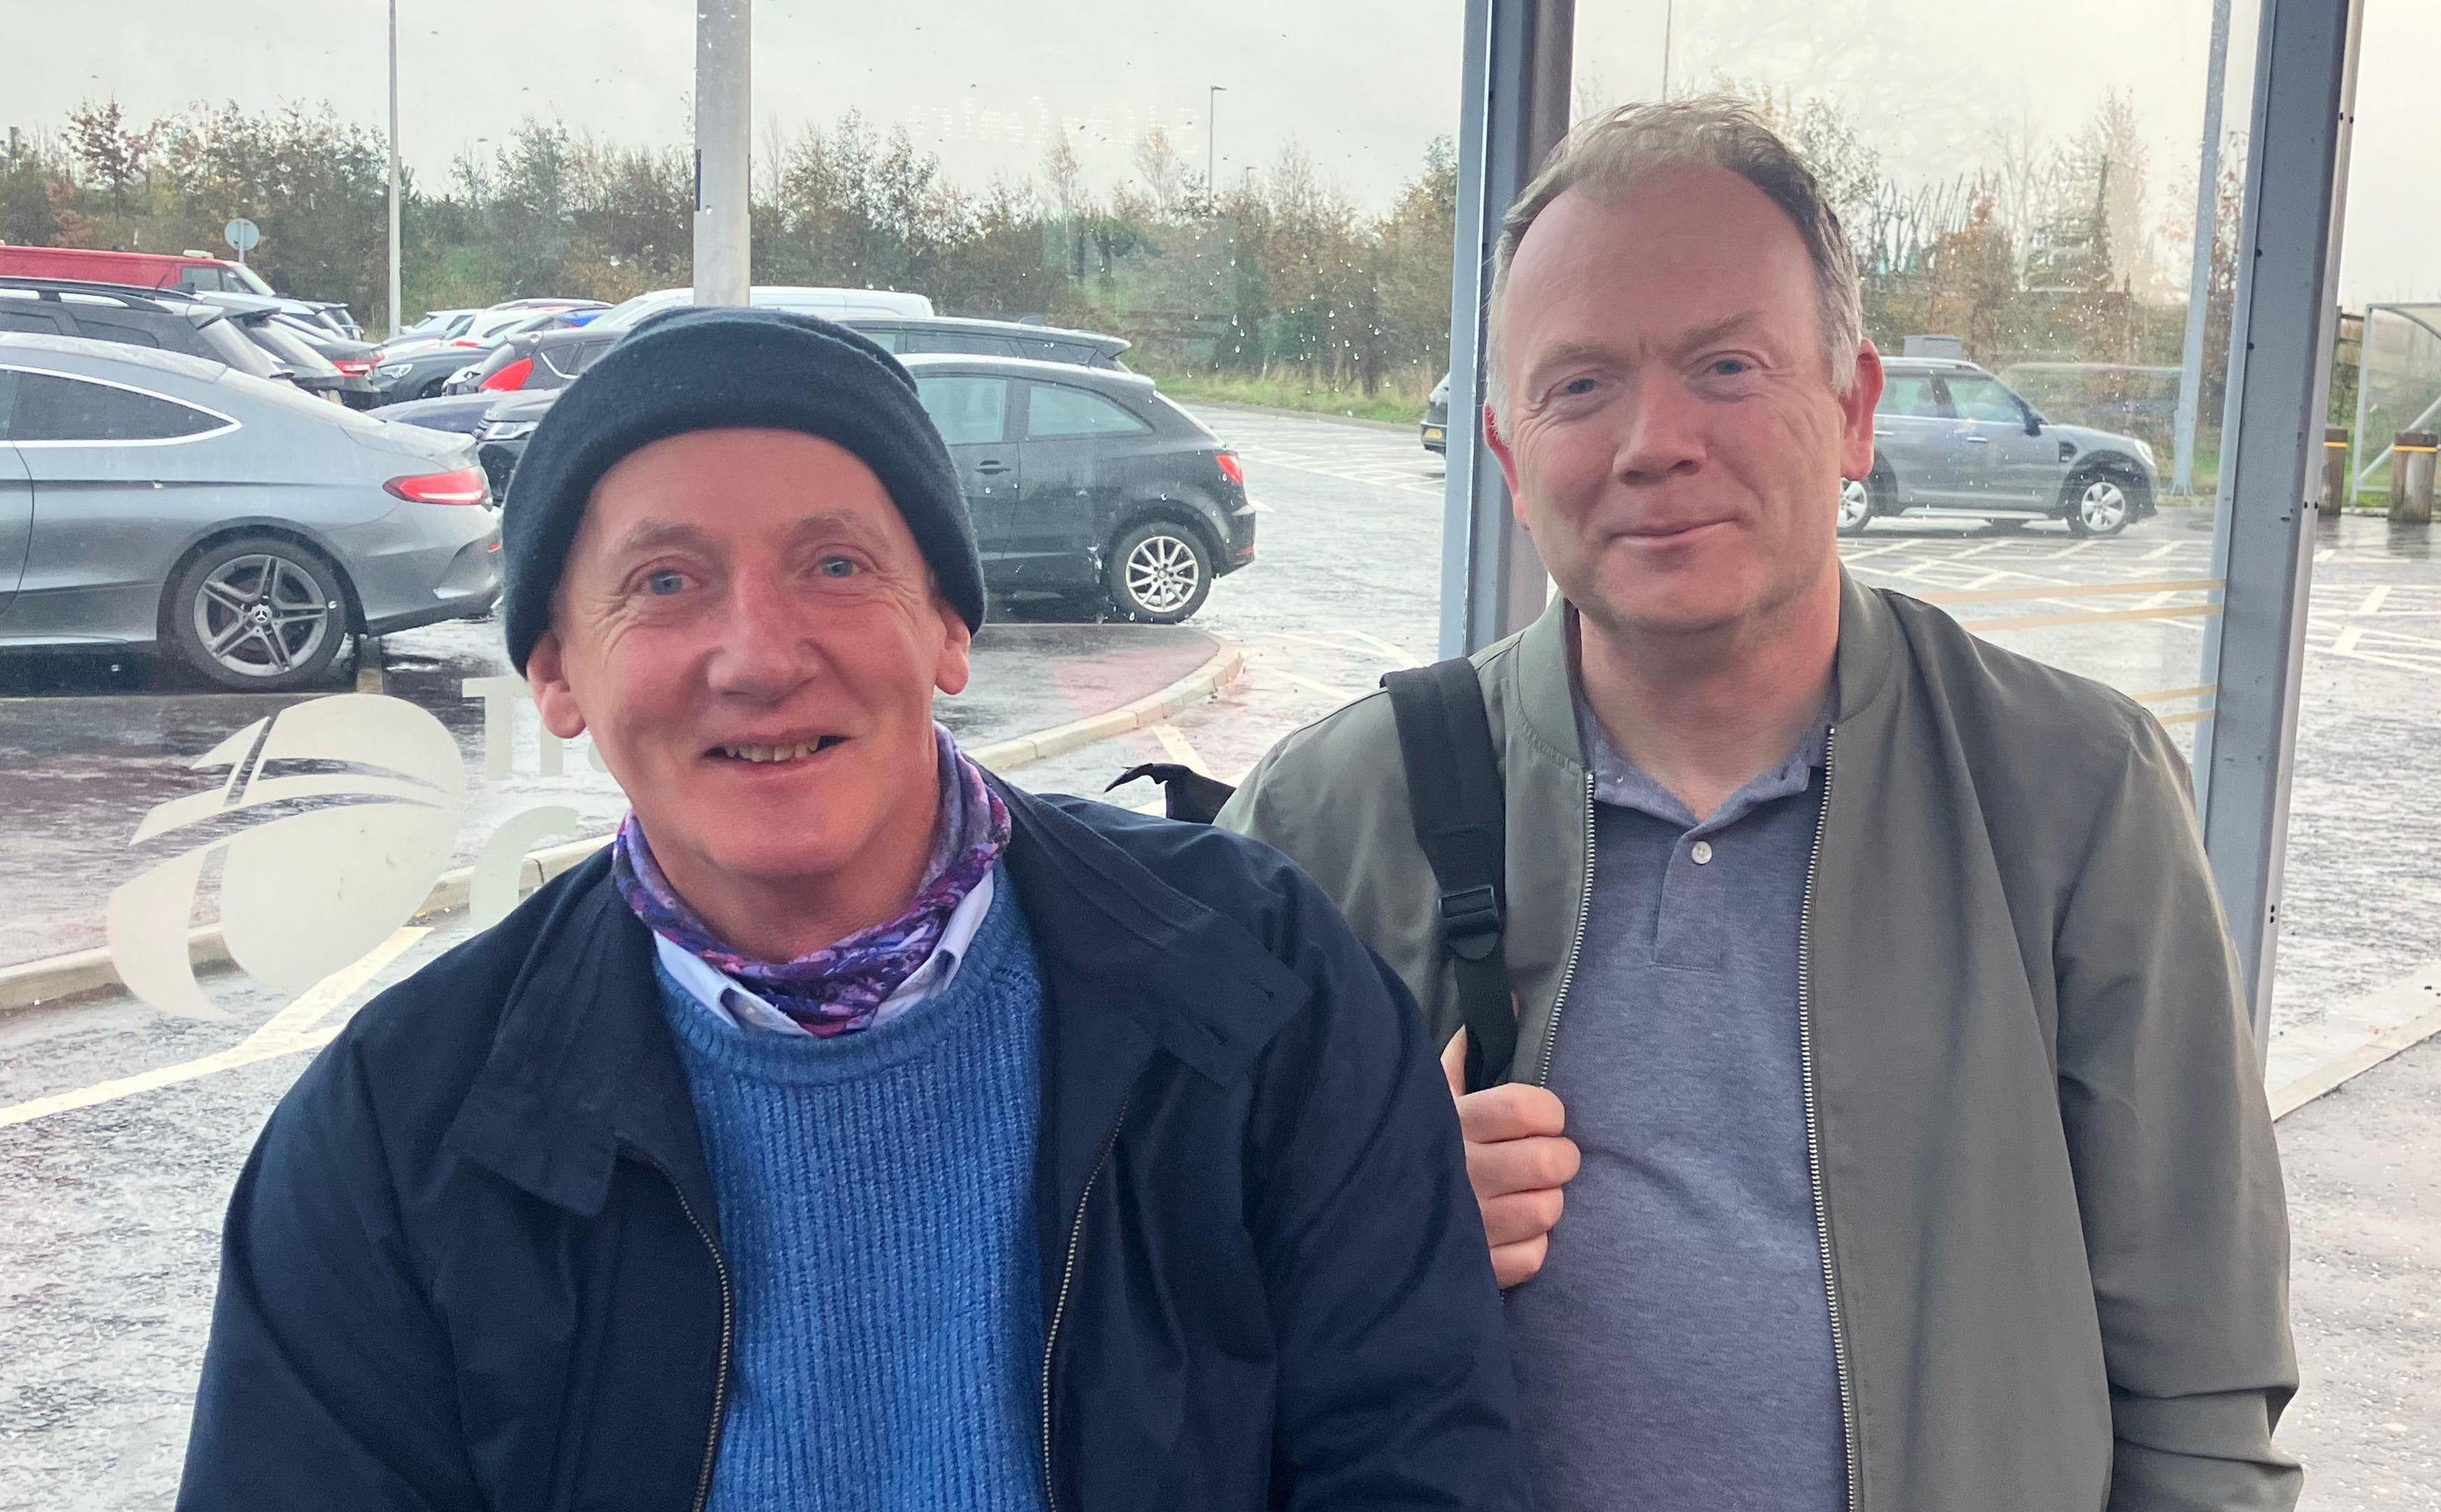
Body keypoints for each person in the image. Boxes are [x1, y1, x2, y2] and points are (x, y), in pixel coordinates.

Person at [176, 308, 1524, 1511]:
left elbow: (1414, 1458)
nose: (761, 656)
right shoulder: (398, 1131)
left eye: (835, 567)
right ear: (556, 673)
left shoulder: (1262, 979)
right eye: (665, 583)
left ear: (947, 626)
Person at [1218, 98, 2299, 1512]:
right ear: (1505, 455)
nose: (1656, 440)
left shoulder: (2073, 800)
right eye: (1581, 385)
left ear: (1852, 411)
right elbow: (1166, 1333)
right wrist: (1360, 1238)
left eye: (1726, 365)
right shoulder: (1324, 820)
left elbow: (2203, 1391)